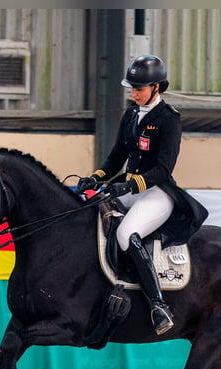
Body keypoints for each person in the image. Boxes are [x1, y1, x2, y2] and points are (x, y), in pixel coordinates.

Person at [77, 54, 208, 336]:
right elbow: (115, 159)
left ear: (156, 87)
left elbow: (163, 168)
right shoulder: (130, 115)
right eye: (132, 88)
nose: (133, 93)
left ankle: (159, 305)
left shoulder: (169, 119)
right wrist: (96, 178)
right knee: (90, 213)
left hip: (158, 193)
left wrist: (128, 186)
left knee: (126, 234)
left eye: (139, 89)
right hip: (132, 189)